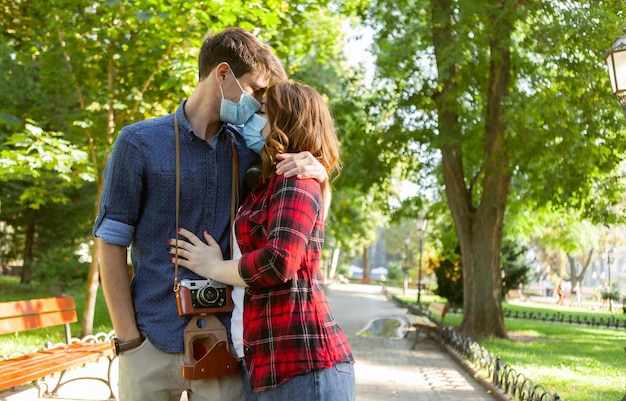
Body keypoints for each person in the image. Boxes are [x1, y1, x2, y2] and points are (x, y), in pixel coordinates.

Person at [93, 28, 330, 401]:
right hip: (149, 341)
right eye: (255, 91)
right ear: (222, 75)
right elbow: (109, 245)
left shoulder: (252, 152)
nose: (258, 106)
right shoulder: (137, 143)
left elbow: (303, 219)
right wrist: (129, 339)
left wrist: (320, 173)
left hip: (225, 347)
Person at [170, 81, 356, 401]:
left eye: (265, 113)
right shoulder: (269, 183)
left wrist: (215, 266)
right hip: (267, 365)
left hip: (301, 363)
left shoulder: (295, 180)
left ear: (287, 123)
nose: (255, 120)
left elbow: (279, 261)